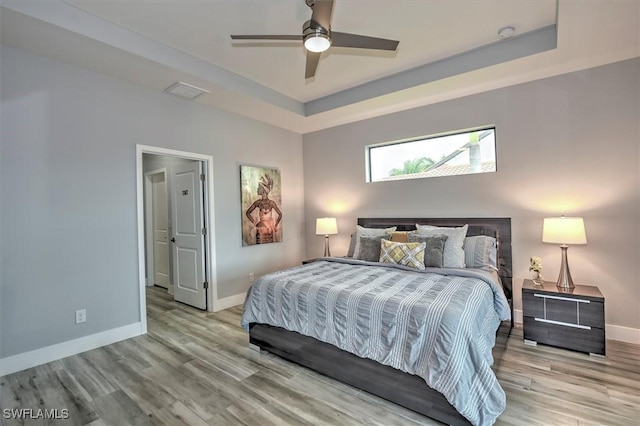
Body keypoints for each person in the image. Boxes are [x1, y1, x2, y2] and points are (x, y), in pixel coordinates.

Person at [245, 174, 282, 244]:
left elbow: (280, 214)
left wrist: (275, 225)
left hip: (269, 230)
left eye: (259, 187)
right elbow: (247, 213)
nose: (257, 188)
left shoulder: (271, 203)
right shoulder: (258, 202)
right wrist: (254, 222)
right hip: (260, 229)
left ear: (264, 189)